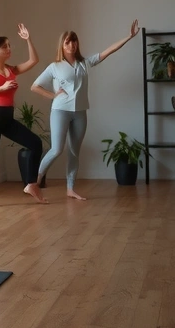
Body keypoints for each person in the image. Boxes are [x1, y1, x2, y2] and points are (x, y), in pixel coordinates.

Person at [31, 20, 140, 200]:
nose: (72, 45)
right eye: (68, 42)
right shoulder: (54, 66)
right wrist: (53, 95)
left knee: (74, 151)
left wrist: (128, 37)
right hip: (60, 111)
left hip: (80, 113)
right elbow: (35, 86)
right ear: (62, 45)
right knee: (57, 149)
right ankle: (35, 181)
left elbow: (108, 51)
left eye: (74, 41)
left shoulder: (84, 63)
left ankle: (70, 188)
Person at [0, 24, 47, 210]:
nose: (9, 49)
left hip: (7, 117)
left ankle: (31, 184)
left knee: (35, 143)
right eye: (5, 46)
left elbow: (34, 60)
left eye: (9, 46)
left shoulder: (11, 70)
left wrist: (28, 39)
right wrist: (1, 88)